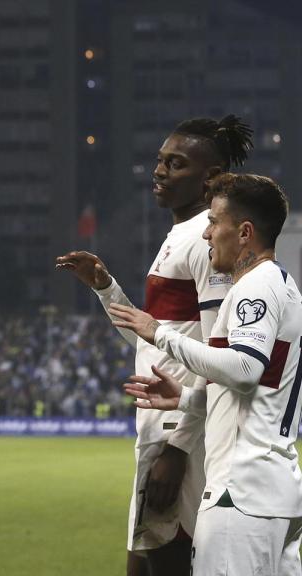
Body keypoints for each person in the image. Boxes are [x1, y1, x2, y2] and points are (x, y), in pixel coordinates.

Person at [56, 115, 252, 575]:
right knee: (142, 563)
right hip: (159, 423)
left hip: (179, 428)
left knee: (165, 565)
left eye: (176, 164)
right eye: (160, 161)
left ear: (210, 178)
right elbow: (156, 340)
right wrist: (106, 289)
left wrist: (180, 446)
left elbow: (218, 352)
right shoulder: (180, 234)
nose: (159, 171)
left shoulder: (208, 239)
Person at [114, 173, 302, 575]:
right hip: (273, 492)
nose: (207, 235)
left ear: (245, 232)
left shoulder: (255, 286)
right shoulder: (284, 286)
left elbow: (247, 369)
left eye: (215, 223)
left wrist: (160, 333)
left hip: (242, 494)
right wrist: (184, 398)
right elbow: (254, 392)